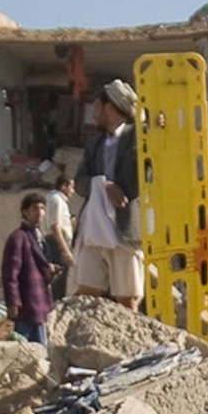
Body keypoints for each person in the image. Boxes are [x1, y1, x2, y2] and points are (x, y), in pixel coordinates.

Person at [72, 81, 145, 308]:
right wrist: (103, 185)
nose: (94, 115)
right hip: (94, 228)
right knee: (86, 295)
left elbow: (146, 176)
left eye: (96, 108)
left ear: (110, 108)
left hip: (124, 228)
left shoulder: (140, 137)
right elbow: (80, 182)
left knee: (127, 298)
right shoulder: (94, 144)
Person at [0, 190, 56, 344]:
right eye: (35, 208)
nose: (39, 212)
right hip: (27, 304)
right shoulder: (18, 238)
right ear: (25, 212)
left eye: (42, 208)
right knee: (25, 349)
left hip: (41, 304)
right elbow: (10, 273)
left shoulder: (39, 238)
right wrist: (13, 302)